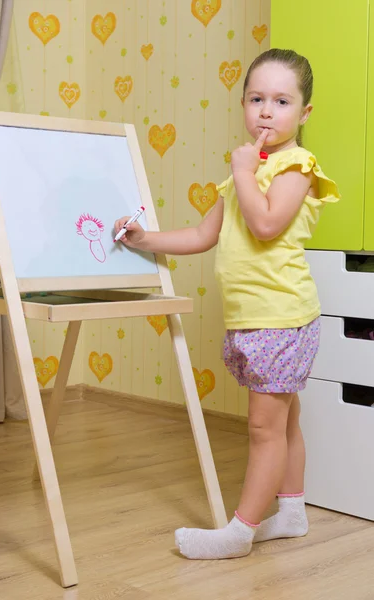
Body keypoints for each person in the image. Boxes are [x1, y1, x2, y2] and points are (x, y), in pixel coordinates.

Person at [114, 48, 340, 560]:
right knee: (284, 422)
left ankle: (240, 533)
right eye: (257, 98)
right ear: (242, 104)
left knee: (264, 429)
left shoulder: (297, 166)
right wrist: (143, 238)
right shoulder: (240, 173)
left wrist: (242, 169)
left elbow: (265, 224)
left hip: (280, 318)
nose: (266, 111)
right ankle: (294, 512)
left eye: (281, 101)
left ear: (303, 114)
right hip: (253, 320)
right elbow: (201, 234)